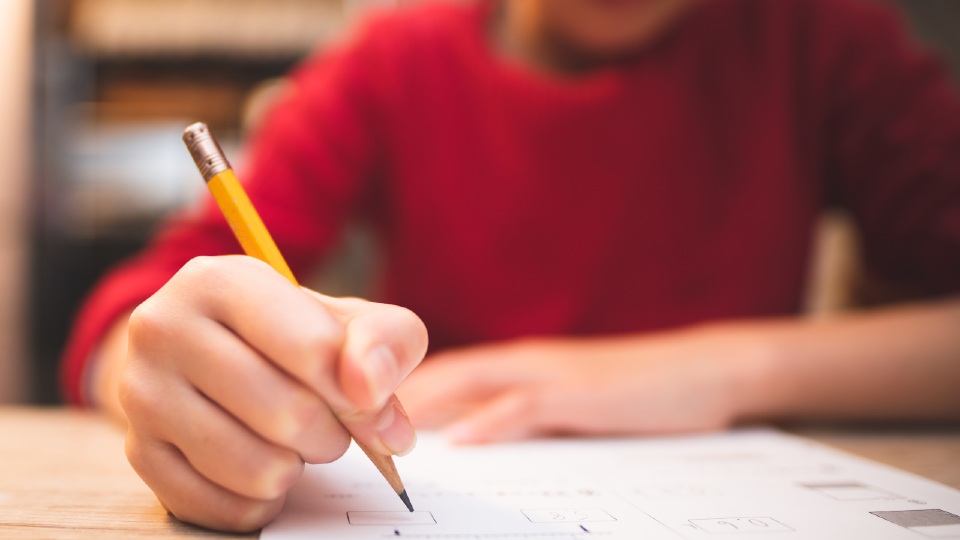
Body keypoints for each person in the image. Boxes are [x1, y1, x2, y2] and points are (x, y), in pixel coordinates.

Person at [61, 0, 960, 532]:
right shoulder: (394, 62)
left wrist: (722, 372)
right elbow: (132, 318)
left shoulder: (823, 40)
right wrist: (175, 371)